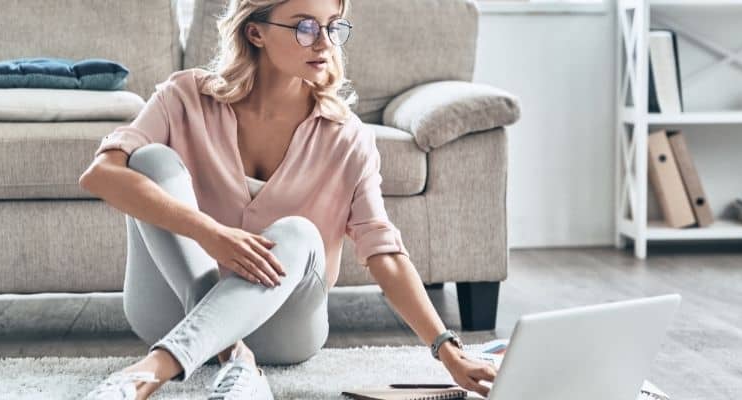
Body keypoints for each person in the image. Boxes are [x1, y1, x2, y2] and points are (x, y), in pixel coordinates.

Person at [78, 0, 497, 398]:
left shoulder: (347, 137)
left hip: (285, 328)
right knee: (150, 160)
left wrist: (447, 348)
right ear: (255, 32)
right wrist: (209, 233)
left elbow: (383, 251)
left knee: (298, 233)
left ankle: (148, 373)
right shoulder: (184, 96)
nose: (324, 42)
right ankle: (234, 354)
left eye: (333, 26)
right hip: (169, 311)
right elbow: (101, 173)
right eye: (304, 26)